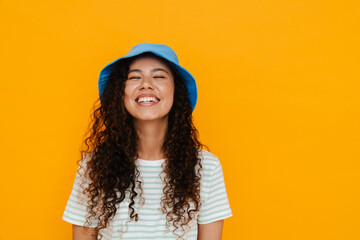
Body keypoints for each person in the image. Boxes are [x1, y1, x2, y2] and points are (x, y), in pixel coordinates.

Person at [62, 43, 232, 240]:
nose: (146, 84)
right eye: (135, 77)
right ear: (120, 92)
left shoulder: (206, 167)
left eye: (159, 76)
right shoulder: (94, 165)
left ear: (177, 91)